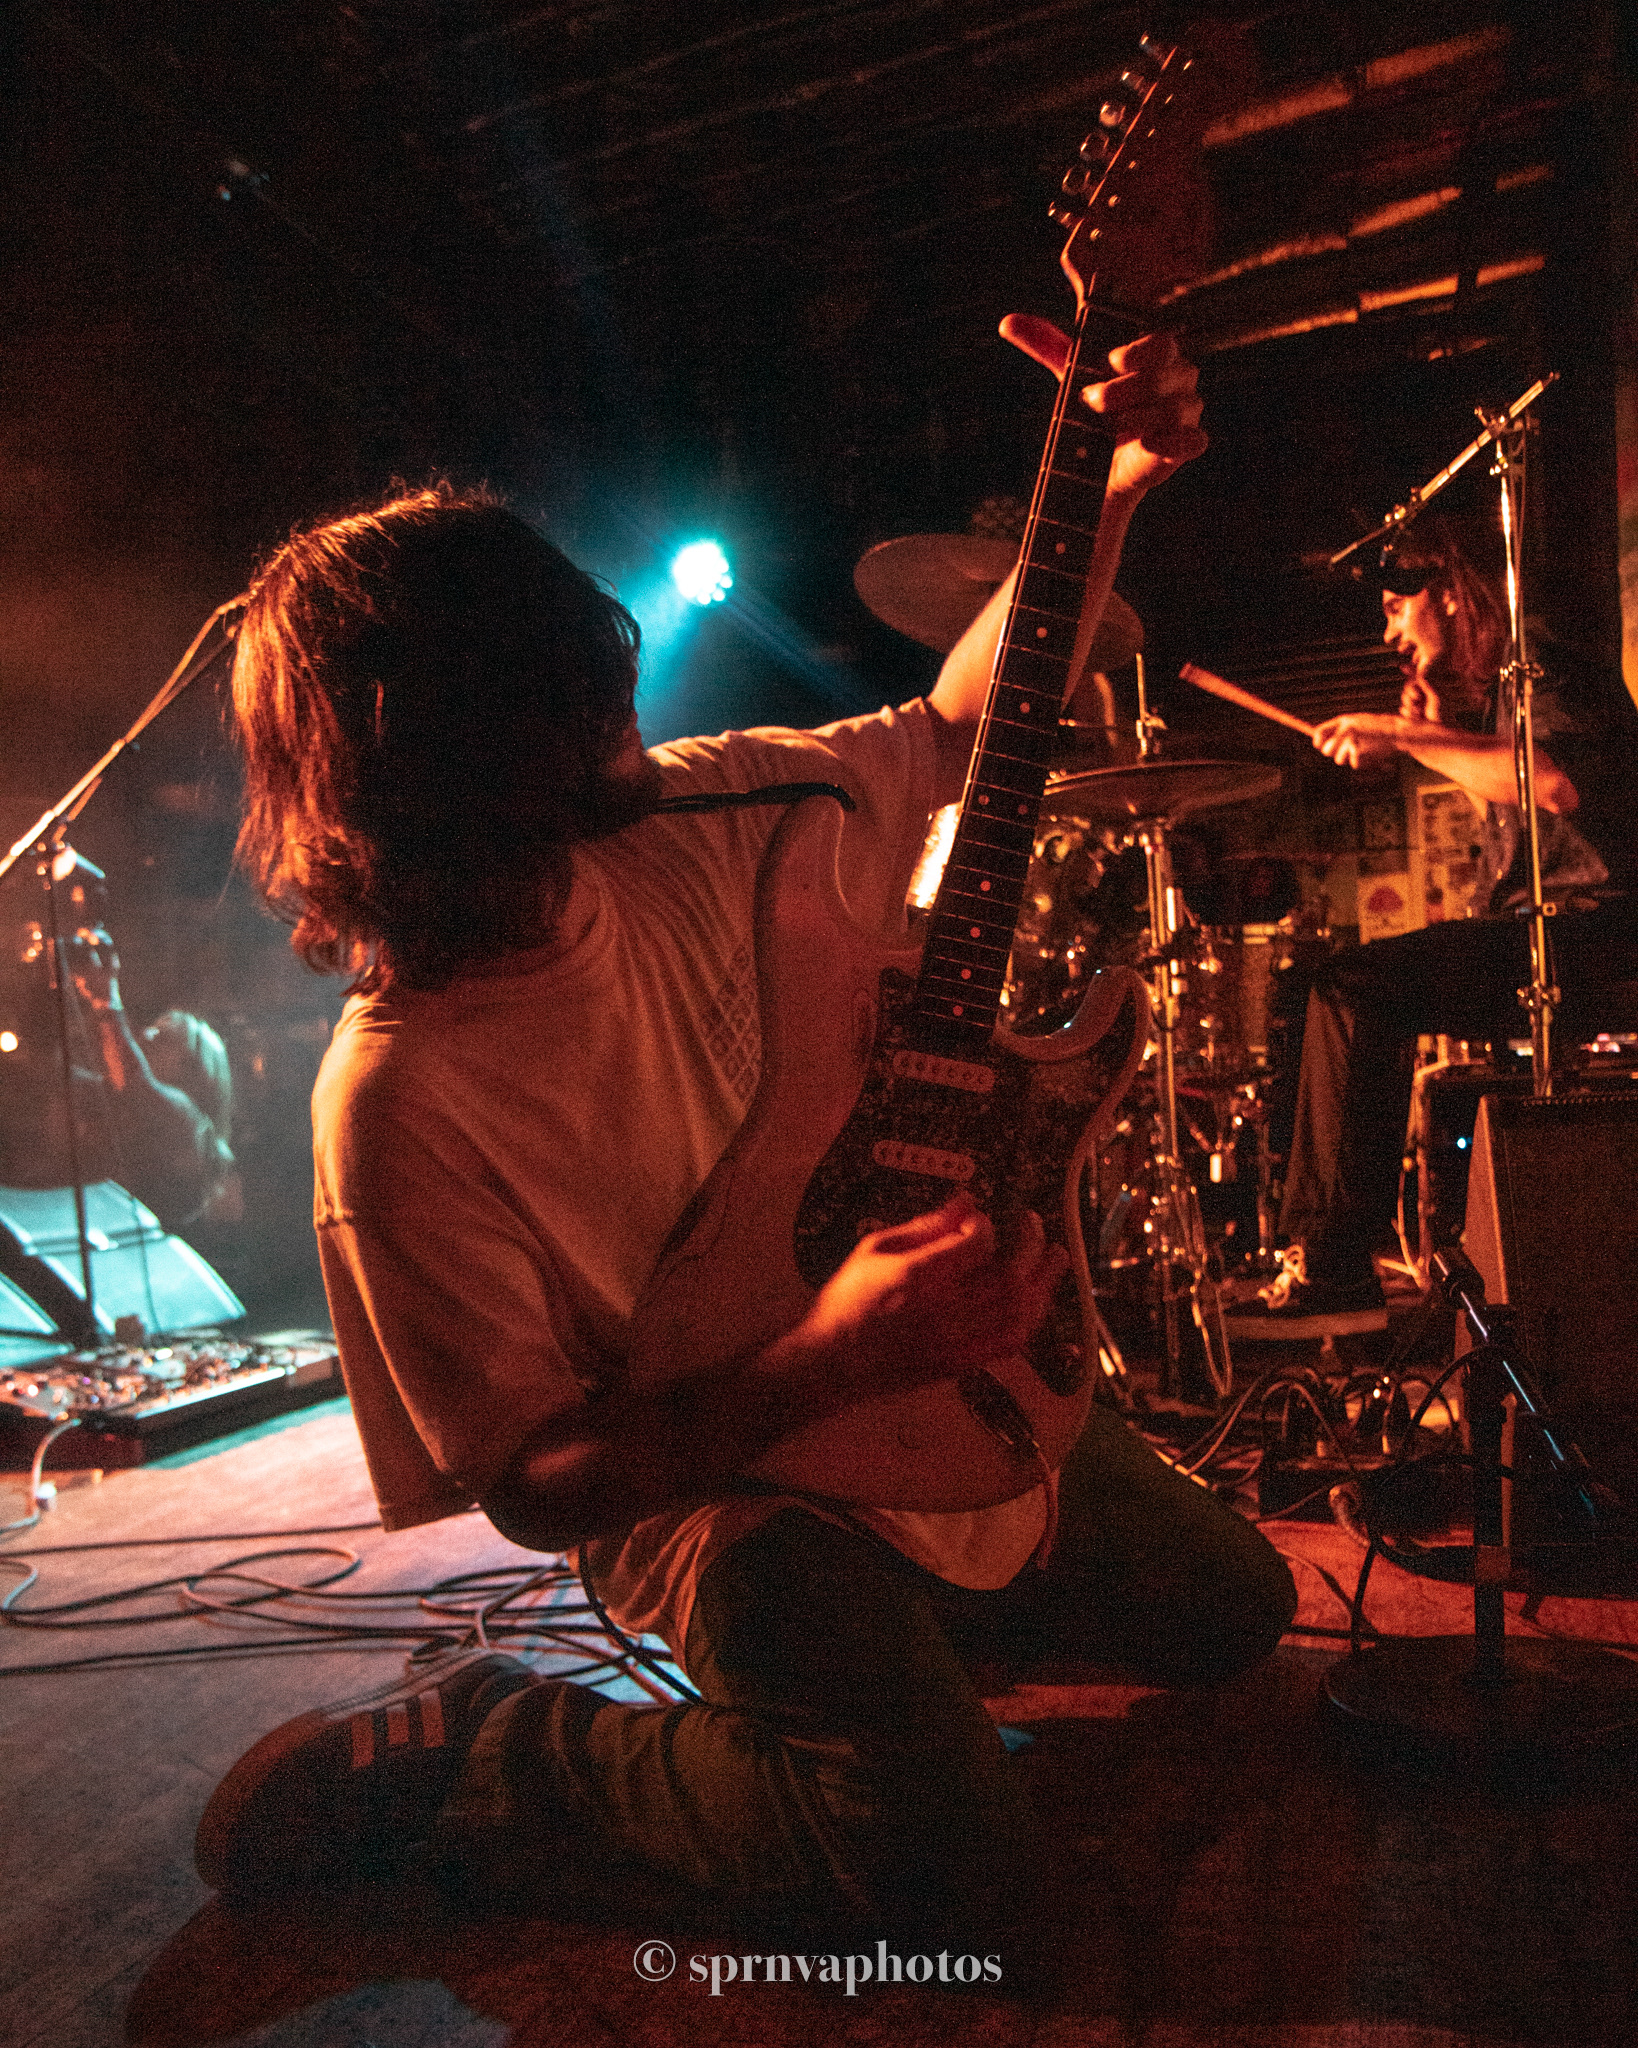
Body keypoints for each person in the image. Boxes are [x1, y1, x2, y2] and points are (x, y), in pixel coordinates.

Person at [194, 325, 1296, 1950]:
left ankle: (907, 1658)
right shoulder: (396, 1102)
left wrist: (1107, 489)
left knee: (1234, 1614)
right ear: (465, 752)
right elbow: (540, 1486)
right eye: (578, 698)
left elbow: (963, 724)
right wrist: (827, 1360)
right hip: (718, 1491)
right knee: (943, 1877)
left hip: (927, 1384)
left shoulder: (706, 814)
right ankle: (505, 1752)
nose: (627, 715)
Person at [1259, 511, 1638, 1325]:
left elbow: (1552, 781)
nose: (1389, 633)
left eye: (1398, 608)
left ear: (1452, 591)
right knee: (1317, 987)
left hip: (1600, 933)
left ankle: (1334, 1261)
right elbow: (1522, 794)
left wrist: (1406, 735)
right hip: (1562, 929)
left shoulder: (1541, 651)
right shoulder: (1504, 688)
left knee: (1356, 986)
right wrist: (1433, 729)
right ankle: (1325, 1249)